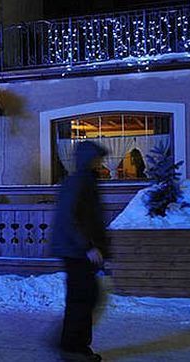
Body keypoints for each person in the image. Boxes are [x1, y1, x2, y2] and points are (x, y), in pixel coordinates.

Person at [51, 141, 110, 362]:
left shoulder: (85, 180)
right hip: (75, 249)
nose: (100, 162)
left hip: (78, 249)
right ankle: (73, 348)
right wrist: (88, 246)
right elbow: (70, 217)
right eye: (97, 158)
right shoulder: (79, 181)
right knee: (82, 299)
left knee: (85, 297)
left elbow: (89, 217)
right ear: (87, 159)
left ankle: (71, 344)